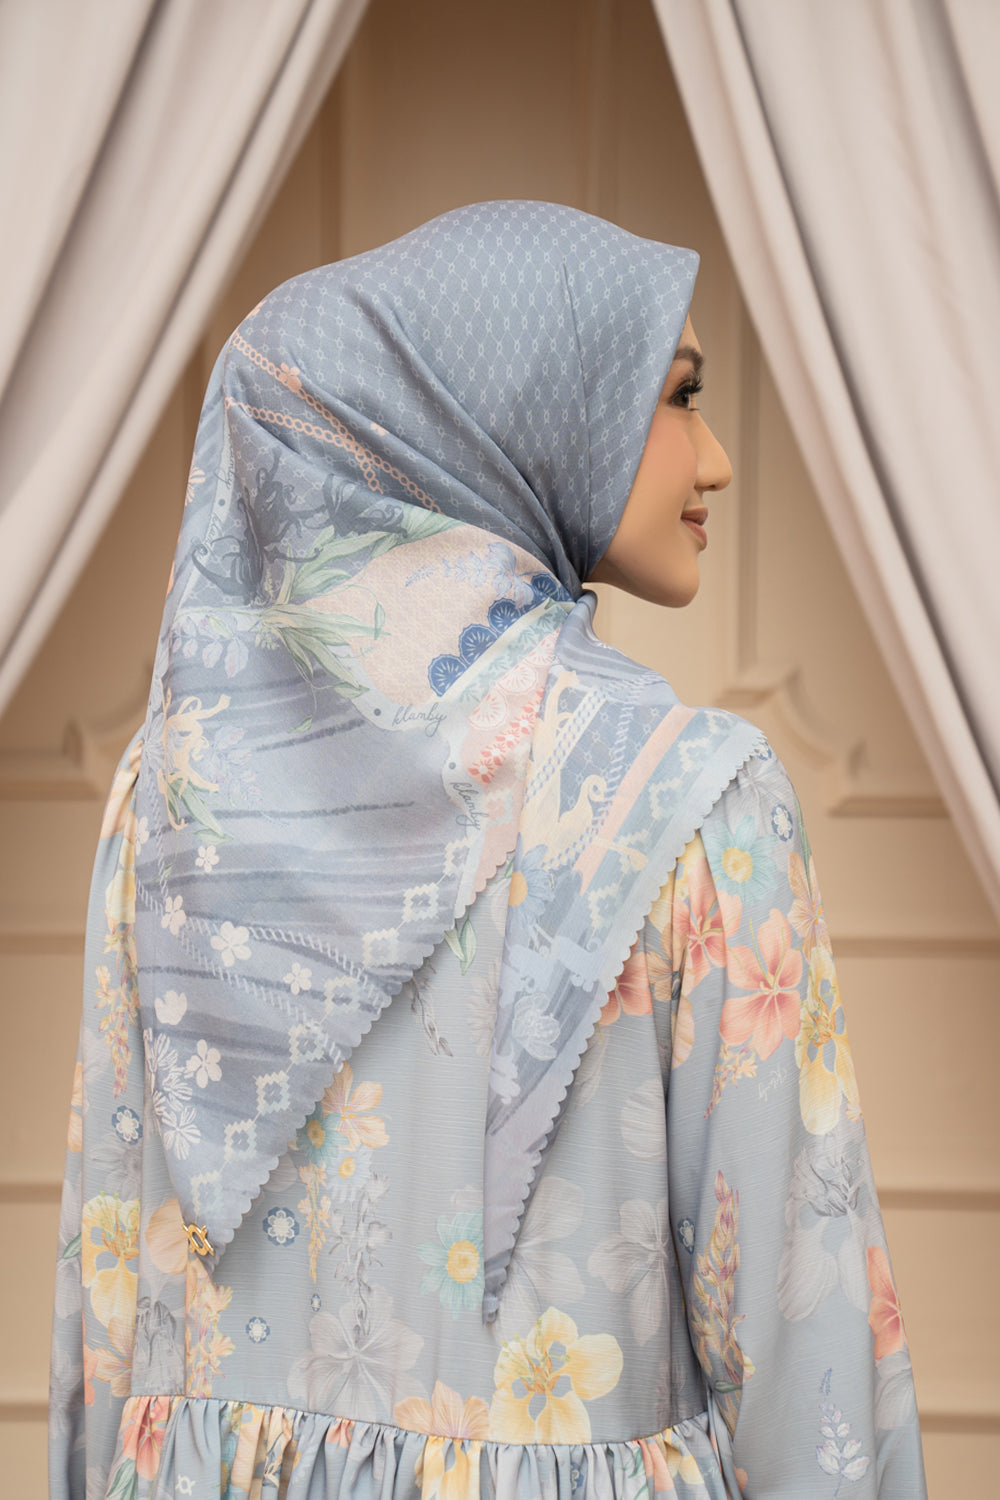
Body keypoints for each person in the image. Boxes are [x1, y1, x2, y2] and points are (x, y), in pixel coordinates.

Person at [49, 201, 926, 1499]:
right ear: (520, 405)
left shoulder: (172, 791)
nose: (719, 459)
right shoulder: (697, 800)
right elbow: (805, 1336)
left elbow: (109, 1278)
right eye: (680, 395)